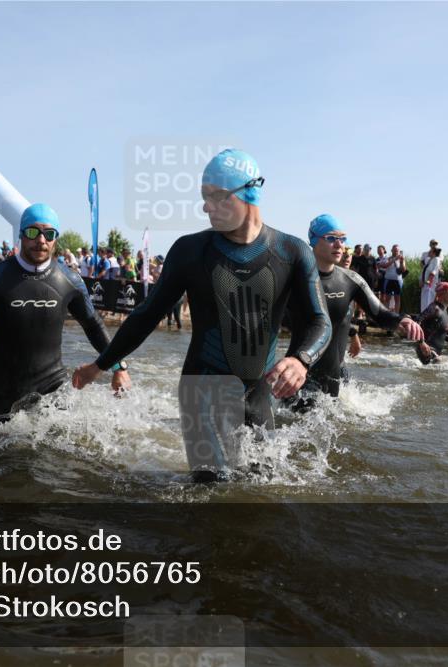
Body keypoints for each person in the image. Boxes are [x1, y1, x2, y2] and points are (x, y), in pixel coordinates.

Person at [71, 149, 332, 481]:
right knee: (212, 492)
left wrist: (301, 359)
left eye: (216, 197)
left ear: (249, 192)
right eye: (203, 197)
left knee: (262, 487)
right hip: (200, 392)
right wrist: (101, 365)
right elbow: (146, 316)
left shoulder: (292, 252)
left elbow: (319, 321)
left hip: (259, 392)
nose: (206, 206)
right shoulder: (190, 251)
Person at [0, 203, 130, 421]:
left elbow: (93, 325)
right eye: (33, 232)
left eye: (49, 233)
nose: (41, 240)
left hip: (53, 392)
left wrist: (118, 367)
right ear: (22, 235)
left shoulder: (70, 280)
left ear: (56, 238)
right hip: (3, 395)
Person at [290, 214, 423, 402]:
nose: (339, 245)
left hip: (332, 377)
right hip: (296, 375)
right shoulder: (294, 278)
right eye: (331, 238)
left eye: (342, 239)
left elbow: (381, 314)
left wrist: (402, 319)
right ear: (313, 240)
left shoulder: (350, 280)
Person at [415, 282, 448, 364]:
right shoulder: (434, 308)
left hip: (434, 352)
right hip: (426, 351)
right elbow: (417, 321)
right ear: (441, 294)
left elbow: (438, 334)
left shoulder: (444, 310)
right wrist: (421, 343)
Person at [381, 245, 406, 313]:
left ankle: (396, 314)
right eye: (394, 250)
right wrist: (394, 259)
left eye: (397, 250)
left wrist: (401, 262)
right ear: (391, 250)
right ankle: (386, 314)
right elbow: (385, 265)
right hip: (388, 279)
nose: (396, 251)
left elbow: (403, 270)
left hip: (398, 280)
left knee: (397, 298)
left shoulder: (401, 259)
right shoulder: (388, 258)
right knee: (387, 298)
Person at [420, 246, 442, 311]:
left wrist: (429, 281)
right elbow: (424, 271)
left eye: (430, 251)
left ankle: (427, 317)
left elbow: (434, 271)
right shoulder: (430, 260)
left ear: (434, 252)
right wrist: (421, 280)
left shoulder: (436, 259)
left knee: (428, 301)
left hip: (430, 284)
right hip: (425, 283)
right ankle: (423, 315)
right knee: (424, 301)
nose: (429, 252)